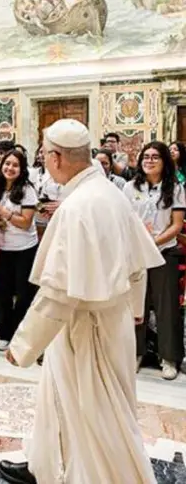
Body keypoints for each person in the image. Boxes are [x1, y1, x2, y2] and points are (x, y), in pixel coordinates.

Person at [0, 120, 164, 484]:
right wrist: (135, 310)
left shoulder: (77, 207)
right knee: (60, 399)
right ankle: (43, 465)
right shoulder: (111, 194)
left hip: (84, 327)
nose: (44, 160)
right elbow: (138, 266)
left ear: (57, 158)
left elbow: (59, 293)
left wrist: (23, 346)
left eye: (45, 154)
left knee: (96, 412)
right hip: (114, 321)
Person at [123, 142, 184, 381]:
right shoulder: (130, 187)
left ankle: (168, 357)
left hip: (163, 252)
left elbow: (176, 225)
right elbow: (124, 220)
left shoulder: (175, 188)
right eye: (145, 157)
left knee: (166, 306)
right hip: (135, 253)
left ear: (164, 161)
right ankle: (135, 352)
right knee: (135, 304)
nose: (149, 161)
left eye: (155, 157)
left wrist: (153, 242)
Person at [0, 150, 39, 353]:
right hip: (2, 247)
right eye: (7, 164)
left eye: (15, 165)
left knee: (24, 294)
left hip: (24, 249)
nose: (10, 168)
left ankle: (19, 332)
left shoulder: (27, 189)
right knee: (3, 293)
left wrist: (3, 212)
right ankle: (5, 333)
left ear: (22, 169)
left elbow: (25, 223)